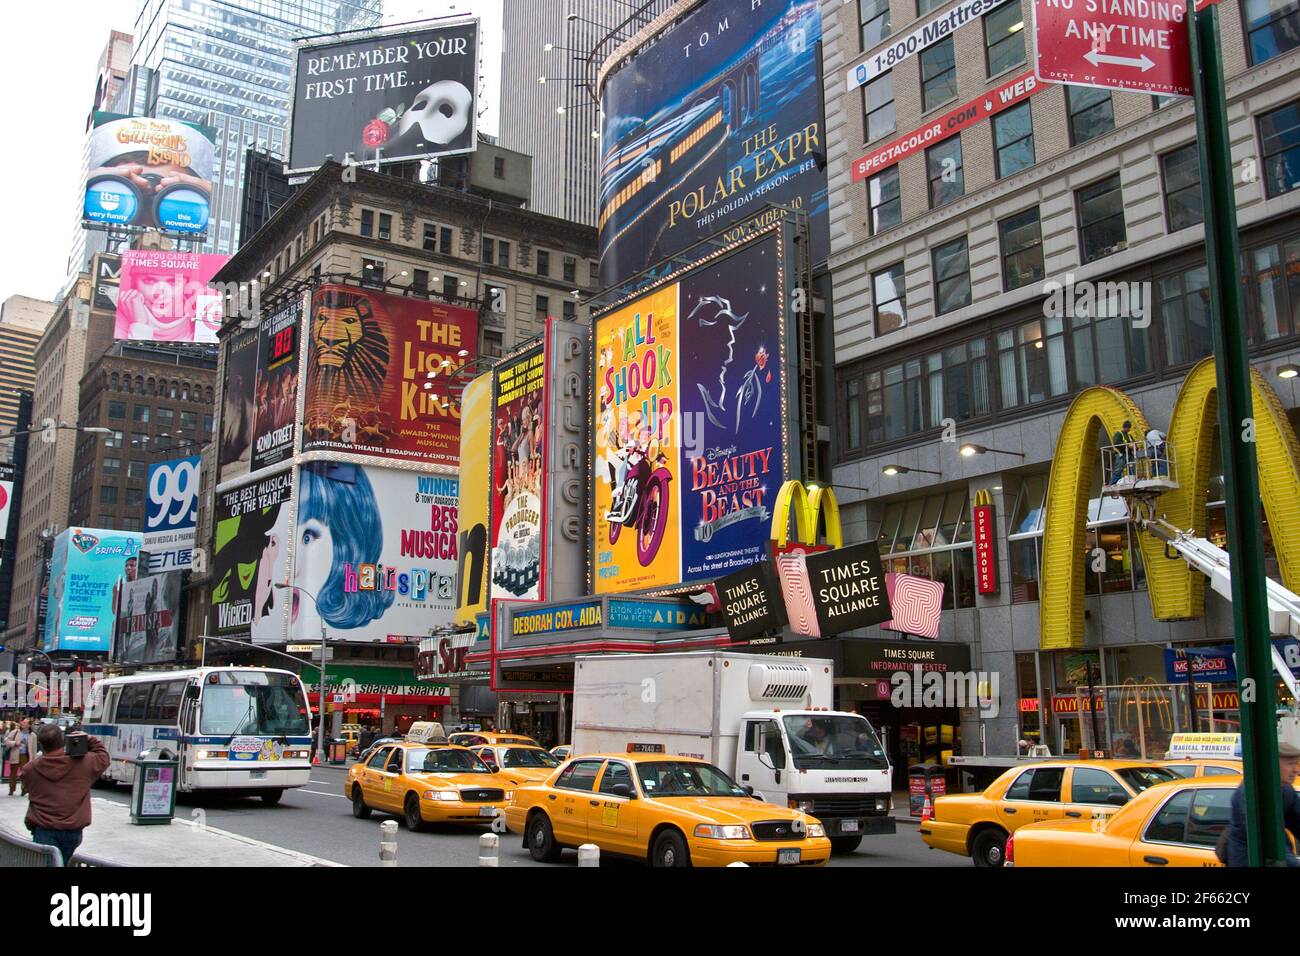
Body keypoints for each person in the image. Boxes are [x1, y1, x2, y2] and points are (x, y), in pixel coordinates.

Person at [20, 725, 110, 866]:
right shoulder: (84, 763)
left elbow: (26, 787)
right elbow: (103, 757)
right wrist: (89, 739)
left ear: (41, 744)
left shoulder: (29, 769)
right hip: (73, 830)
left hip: (44, 828)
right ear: (63, 741)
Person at [1224, 740, 1300, 866]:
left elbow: (1297, 822)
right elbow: (1268, 838)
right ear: (1273, 764)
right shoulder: (1251, 792)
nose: (1296, 770)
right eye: (1290, 764)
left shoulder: (1286, 790)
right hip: (1248, 860)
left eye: (1297, 764)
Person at [5, 719, 34, 796]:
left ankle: (24, 789)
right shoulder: (15, 732)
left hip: (25, 756)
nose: (22, 723)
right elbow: (7, 741)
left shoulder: (33, 735)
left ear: (29, 725)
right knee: (13, 773)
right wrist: (15, 743)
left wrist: (32, 759)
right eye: (23, 722)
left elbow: (34, 749)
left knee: (24, 774)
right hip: (15, 754)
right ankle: (11, 789)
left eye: (25, 722)